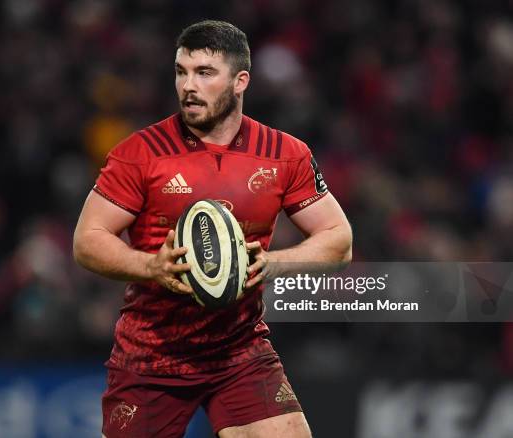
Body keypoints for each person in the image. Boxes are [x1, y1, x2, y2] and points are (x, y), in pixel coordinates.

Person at [74, 20, 352, 438]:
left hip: (239, 351)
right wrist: (152, 268)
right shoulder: (140, 154)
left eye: (204, 73)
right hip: (152, 356)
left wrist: (271, 264)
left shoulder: (285, 154)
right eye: (181, 71)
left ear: (241, 81)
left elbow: (339, 241)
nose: (189, 85)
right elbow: (86, 241)